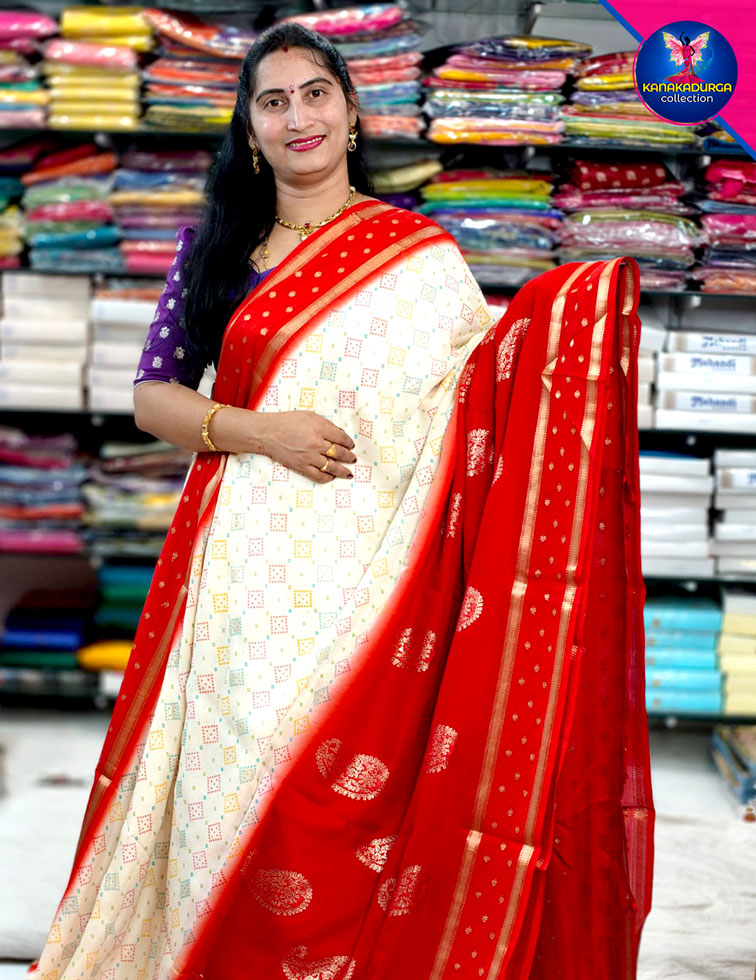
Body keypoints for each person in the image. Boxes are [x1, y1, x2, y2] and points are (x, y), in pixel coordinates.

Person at [33, 23, 653, 980]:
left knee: (355, 799)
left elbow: (475, 393)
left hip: (381, 572)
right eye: (273, 101)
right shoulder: (216, 251)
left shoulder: (418, 254)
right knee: (231, 781)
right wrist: (261, 430)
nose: (299, 117)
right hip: (244, 578)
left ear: (352, 112)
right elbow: (154, 396)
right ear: (250, 131)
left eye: (315, 93)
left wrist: (573, 313)